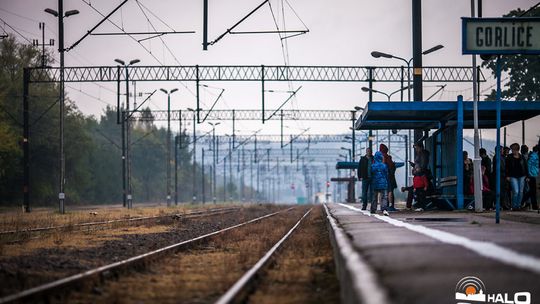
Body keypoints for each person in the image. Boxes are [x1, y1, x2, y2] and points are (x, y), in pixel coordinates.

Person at [506, 143, 528, 211]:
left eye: (513, 150)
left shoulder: (522, 157)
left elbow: (525, 167)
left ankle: (518, 206)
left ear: (517, 150)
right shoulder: (509, 157)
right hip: (512, 176)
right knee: (516, 191)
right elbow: (506, 167)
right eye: (512, 150)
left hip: (522, 176)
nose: (512, 151)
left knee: (521, 192)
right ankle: (514, 206)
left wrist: (527, 176)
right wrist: (507, 176)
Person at [370, 151, 389, 216]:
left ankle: (373, 209)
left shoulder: (372, 166)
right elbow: (386, 175)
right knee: (384, 197)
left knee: (374, 197)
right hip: (383, 183)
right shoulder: (384, 166)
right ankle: (384, 209)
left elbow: (371, 175)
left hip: (375, 183)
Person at [379, 144, 397, 211]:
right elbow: (389, 165)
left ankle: (383, 206)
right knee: (390, 191)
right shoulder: (387, 157)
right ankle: (390, 206)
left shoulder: (378, 157)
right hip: (388, 176)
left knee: (382, 192)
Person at [523, 145, 538, 210]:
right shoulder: (533, 156)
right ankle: (523, 201)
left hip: (533, 175)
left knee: (532, 191)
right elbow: (528, 166)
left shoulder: (533, 155)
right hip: (532, 175)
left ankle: (534, 205)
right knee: (532, 191)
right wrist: (528, 176)